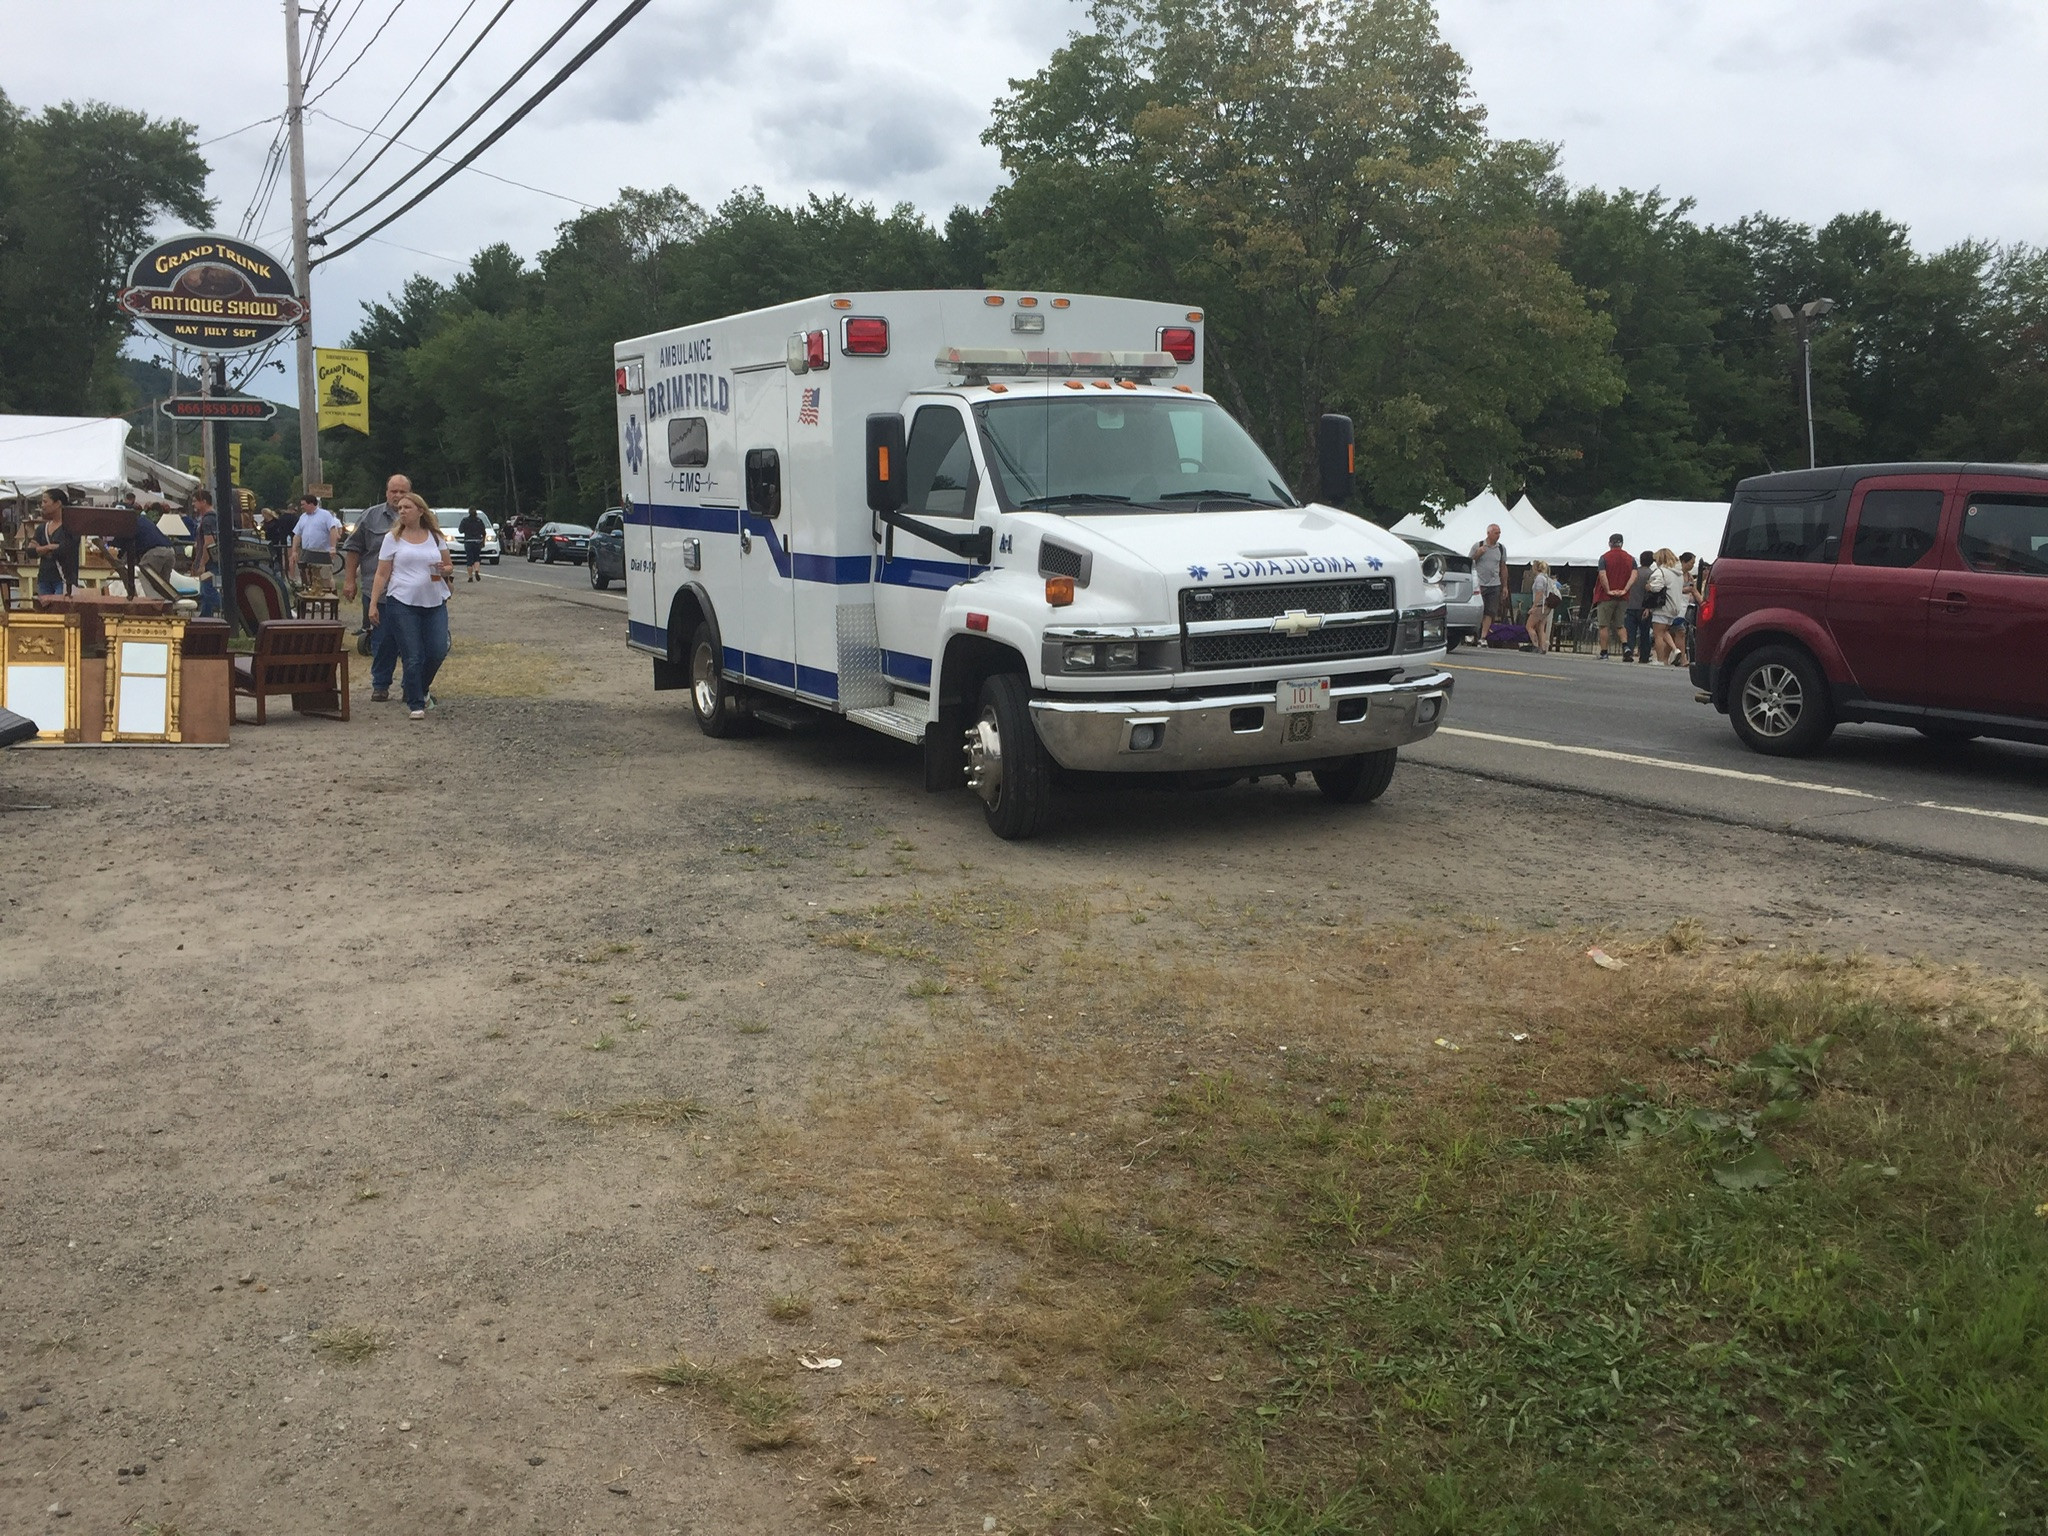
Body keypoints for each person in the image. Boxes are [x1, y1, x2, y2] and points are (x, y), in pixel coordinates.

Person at [367, 492, 454, 721]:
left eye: (407, 507)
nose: (402, 511)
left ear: (420, 511)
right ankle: (415, 702)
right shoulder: (392, 538)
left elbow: (447, 565)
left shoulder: (435, 537)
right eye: (400, 508)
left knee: (437, 650)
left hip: (434, 600)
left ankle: (421, 688)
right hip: (402, 602)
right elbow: (382, 573)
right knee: (412, 655)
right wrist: (373, 603)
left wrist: (444, 571)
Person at [342, 475, 408, 699]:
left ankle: (412, 685)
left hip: (411, 592)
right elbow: (353, 549)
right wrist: (350, 581)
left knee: (411, 640)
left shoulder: (421, 516)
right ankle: (380, 684)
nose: (397, 496)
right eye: (393, 491)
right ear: (386, 492)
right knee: (383, 640)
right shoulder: (370, 517)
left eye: (402, 492)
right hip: (378, 591)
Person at [108, 504, 178, 597]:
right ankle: (166, 607)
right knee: (164, 586)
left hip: (155, 552)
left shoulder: (128, 524)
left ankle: (150, 608)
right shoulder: (143, 520)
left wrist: (114, 552)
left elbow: (122, 544)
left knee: (146, 582)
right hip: (170, 551)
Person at [29, 490, 79, 596]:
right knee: (45, 611)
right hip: (44, 578)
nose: (42, 505)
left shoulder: (72, 528)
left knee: (60, 610)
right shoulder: (42, 528)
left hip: (64, 579)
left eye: (45, 502)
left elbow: (66, 549)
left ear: (57, 503)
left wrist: (41, 549)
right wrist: (49, 547)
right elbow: (30, 551)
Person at [1593, 533, 1633, 659]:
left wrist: (1608, 590)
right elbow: (1634, 575)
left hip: (1606, 597)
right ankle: (1626, 646)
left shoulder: (1604, 558)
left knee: (1604, 625)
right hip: (1623, 596)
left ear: (1610, 543)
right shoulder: (1630, 559)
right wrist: (1625, 589)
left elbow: (1602, 575)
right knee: (1620, 624)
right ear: (1622, 543)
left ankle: (1604, 652)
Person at [291, 493, 340, 595]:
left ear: (311, 504)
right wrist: (294, 551)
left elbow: (333, 530)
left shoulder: (325, 515)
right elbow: (297, 535)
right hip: (307, 551)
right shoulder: (303, 517)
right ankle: (312, 597)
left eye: (303, 504)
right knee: (308, 576)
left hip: (322, 551)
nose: (301, 507)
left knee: (325, 576)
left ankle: (331, 596)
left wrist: (332, 547)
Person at [1646, 547, 1687, 665]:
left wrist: (1649, 586)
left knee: (1658, 634)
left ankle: (1659, 660)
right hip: (1674, 607)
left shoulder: (1661, 572)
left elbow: (1656, 587)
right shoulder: (1679, 573)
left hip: (1662, 607)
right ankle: (1675, 649)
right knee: (1665, 631)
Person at [1469, 522, 1507, 643]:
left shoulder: (1501, 548)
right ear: (1488, 533)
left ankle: (1483, 637)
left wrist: (1505, 585)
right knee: (1478, 610)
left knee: (1490, 611)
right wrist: (1478, 554)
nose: (1498, 535)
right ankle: (1472, 633)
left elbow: (1503, 566)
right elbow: (1469, 562)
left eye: (1499, 533)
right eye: (1496, 533)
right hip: (1479, 583)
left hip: (1494, 584)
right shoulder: (1479, 545)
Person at [188, 490, 220, 618]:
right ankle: (205, 617)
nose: (193, 504)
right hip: (213, 561)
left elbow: (208, 543)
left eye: (195, 501)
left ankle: (232, 609)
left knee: (208, 591)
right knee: (206, 592)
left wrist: (201, 563)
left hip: (210, 562)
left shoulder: (207, 520)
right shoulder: (213, 518)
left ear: (204, 502)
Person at [1525, 559, 1559, 654]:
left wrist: (1534, 606)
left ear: (1535, 568)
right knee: (1541, 626)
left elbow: (1539, 593)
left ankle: (1535, 645)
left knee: (1529, 626)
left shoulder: (1539, 578)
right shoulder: (1546, 578)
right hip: (1546, 606)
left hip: (1540, 605)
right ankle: (1543, 647)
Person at [458, 507, 487, 582]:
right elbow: (483, 532)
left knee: (469, 559)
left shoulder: (465, 520)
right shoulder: (479, 521)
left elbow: (460, 530)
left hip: (468, 541)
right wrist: (483, 541)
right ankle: (476, 570)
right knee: (477, 557)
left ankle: (470, 577)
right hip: (477, 541)